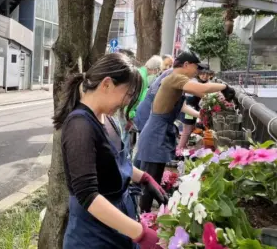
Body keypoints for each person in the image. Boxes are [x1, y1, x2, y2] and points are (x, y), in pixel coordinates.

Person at [54, 53, 166, 249]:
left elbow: (116, 161)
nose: (127, 102)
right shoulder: (80, 126)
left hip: (117, 225)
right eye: (128, 94)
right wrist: (140, 234)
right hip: (93, 236)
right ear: (107, 84)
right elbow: (88, 196)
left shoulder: (108, 120)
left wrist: (144, 177)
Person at [136, 51, 235, 212]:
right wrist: (225, 87)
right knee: (151, 181)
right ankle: (144, 219)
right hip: (156, 133)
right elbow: (202, 88)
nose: (197, 71)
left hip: (159, 131)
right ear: (186, 65)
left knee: (155, 178)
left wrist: (203, 112)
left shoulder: (175, 79)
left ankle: (152, 215)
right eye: (196, 67)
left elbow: (198, 94)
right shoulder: (176, 77)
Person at [177, 67, 211, 150]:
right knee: (187, 130)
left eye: (207, 74)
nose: (205, 76)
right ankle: (180, 150)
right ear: (198, 74)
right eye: (202, 74)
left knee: (191, 128)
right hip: (188, 108)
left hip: (193, 109)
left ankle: (185, 146)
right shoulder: (193, 82)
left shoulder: (205, 82)